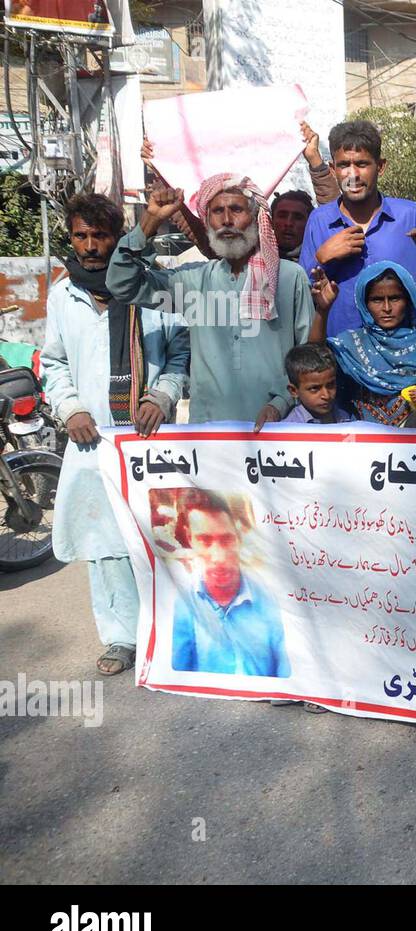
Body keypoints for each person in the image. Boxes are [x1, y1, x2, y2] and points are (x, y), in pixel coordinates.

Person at [42, 193, 190, 677]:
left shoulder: (155, 289)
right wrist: (70, 409)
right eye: (80, 235)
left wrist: (162, 397)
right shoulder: (63, 295)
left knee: (162, 537)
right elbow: (54, 361)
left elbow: (179, 354)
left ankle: (171, 627)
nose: (89, 246)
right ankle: (121, 638)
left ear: (118, 237)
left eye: (100, 235)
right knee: (104, 544)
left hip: (150, 438)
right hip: (93, 440)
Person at [108, 177, 313, 429]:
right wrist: (150, 221)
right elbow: (123, 285)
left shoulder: (290, 278)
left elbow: (308, 356)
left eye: (236, 209)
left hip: (276, 430)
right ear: (207, 221)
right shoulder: (193, 280)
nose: (227, 220)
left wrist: (280, 404)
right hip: (208, 434)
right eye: (217, 211)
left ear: (256, 217)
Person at [300, 120, 416, 338]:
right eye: (344, 165)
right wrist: (322, 257)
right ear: (332, 169)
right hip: (339, 359)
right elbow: (301, 297)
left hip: (401, 361)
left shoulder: (409, 216)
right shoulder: (319, 221)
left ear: (380, 166)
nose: (353, 175)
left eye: (362, 164)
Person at [171, 490, 289, 678]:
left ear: (239, 537)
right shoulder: (183, 600)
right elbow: (177, 673)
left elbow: (288, 669)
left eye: (227, 540)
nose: (219, 557)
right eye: (205, 541)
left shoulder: (269, 596)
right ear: (190, 538)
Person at [308, 260, 416, 426]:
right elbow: (314, 356)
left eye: (395, 298)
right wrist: (322, 310)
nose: (387, 307)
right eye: (376, 300)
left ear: (408, 300)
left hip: (415, 444)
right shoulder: (351, 344)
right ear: (364, 304)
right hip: (361, 443)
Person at [280, 343, 352, 424]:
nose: (326, 395)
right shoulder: (289, 430)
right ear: (294, 391)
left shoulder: (345, 418)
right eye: (314, 388)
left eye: (330, 385)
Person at [270, 190, 315, 260]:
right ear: (271, 221)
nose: (289, 223)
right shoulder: (253, 257)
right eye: (282, 216)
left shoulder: (317, 262)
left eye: (298, 218)